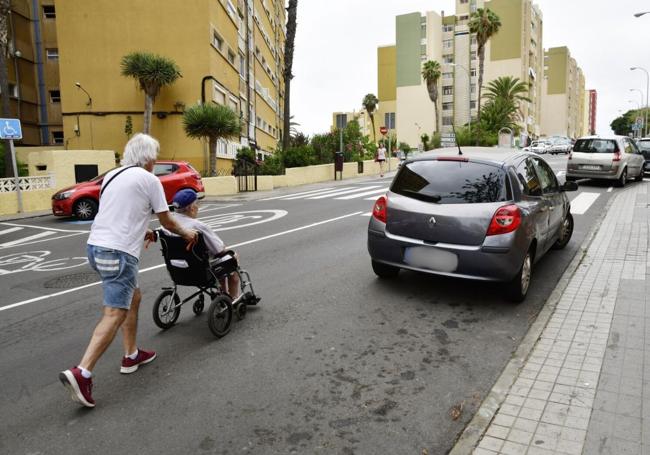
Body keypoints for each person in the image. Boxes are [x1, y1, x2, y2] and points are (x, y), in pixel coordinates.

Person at [59, 133, 198, 408]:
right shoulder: (149, 180)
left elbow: (118, 212)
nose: (155, 162)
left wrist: (142, 230)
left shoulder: (111, 176)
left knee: (132, 297)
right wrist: (187, 233)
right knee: (115, 312)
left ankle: (131, 355)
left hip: (95, 248)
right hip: (118, 253)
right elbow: (168, 220)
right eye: (154, 157)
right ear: (147, 158)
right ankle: (82, 372)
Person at [167, 189, 240, 300]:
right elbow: (219, 249)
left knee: (218, 261)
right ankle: (233, 298)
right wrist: (231, 253)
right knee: (231, 258)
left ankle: (223, 294)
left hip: (177, 269)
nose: (198, 207)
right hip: (200, 271)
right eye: (197, 204)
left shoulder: (167, 224)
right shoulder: (198, 226)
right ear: (191, 208)